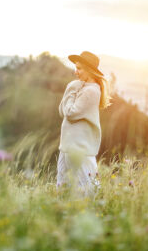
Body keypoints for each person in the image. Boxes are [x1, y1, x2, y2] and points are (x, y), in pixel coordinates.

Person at [57, 51, 112, 198]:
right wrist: (73, 89)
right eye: (76, 67)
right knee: (63, 188)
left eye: (79, 68)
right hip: (68, 146)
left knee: (86, 190)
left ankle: (91, 215)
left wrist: (71, 88)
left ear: (89, 70)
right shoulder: (80, 87)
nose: (76, 72)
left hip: (79, 148)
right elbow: (61, 110)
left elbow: (70, 113)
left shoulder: (91, 91)